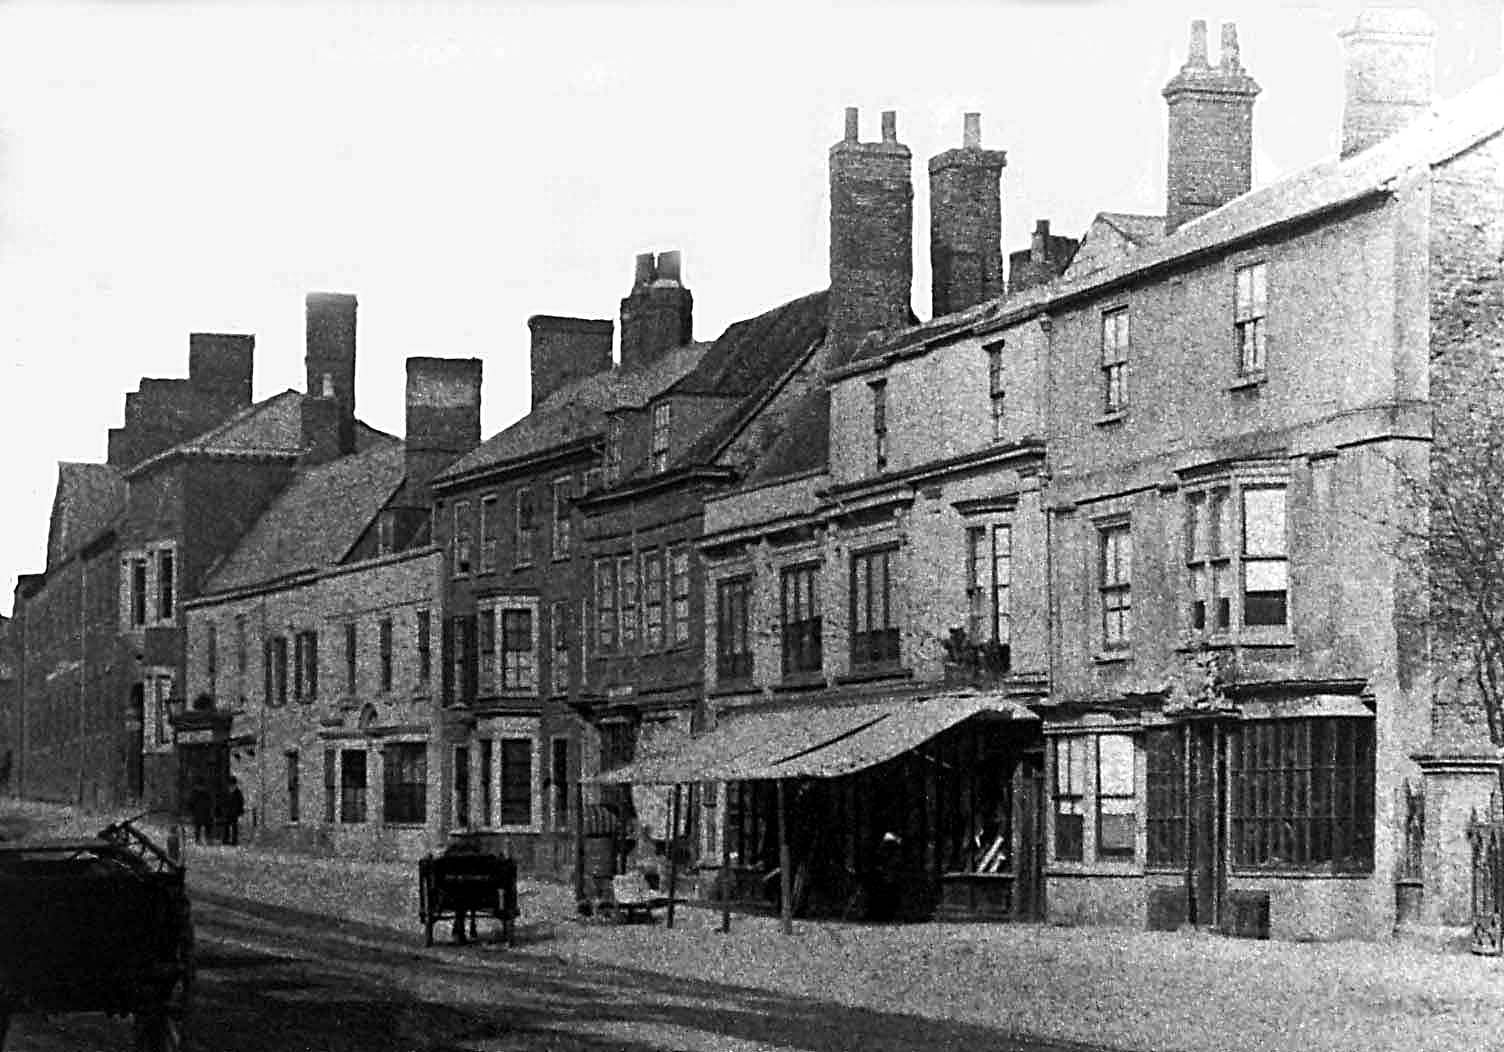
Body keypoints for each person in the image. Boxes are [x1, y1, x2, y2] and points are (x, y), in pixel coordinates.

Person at [188, 778, 212, 844]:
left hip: (206, 813)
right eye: (199, 786)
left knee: (207, 826)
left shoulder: (206, 794)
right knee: (197, 827)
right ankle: (198, 840)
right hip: (197, 813)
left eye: (201, 786)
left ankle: (208, 839)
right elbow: (190, 803)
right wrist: (191, 812)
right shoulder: (194, 793)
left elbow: (210, 803)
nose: (200, 788)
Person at [223, 776, 245, 846]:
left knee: (234, 827)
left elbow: (241, 802)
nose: (231, 786)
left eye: (232, 784)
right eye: (230, 784)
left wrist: (240, 810)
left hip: (235, 812)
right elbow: (223, 801)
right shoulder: (227, 792)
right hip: (228, 811)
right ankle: (225, 840)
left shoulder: (238, 793)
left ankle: (234, 841)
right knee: (226, 826)